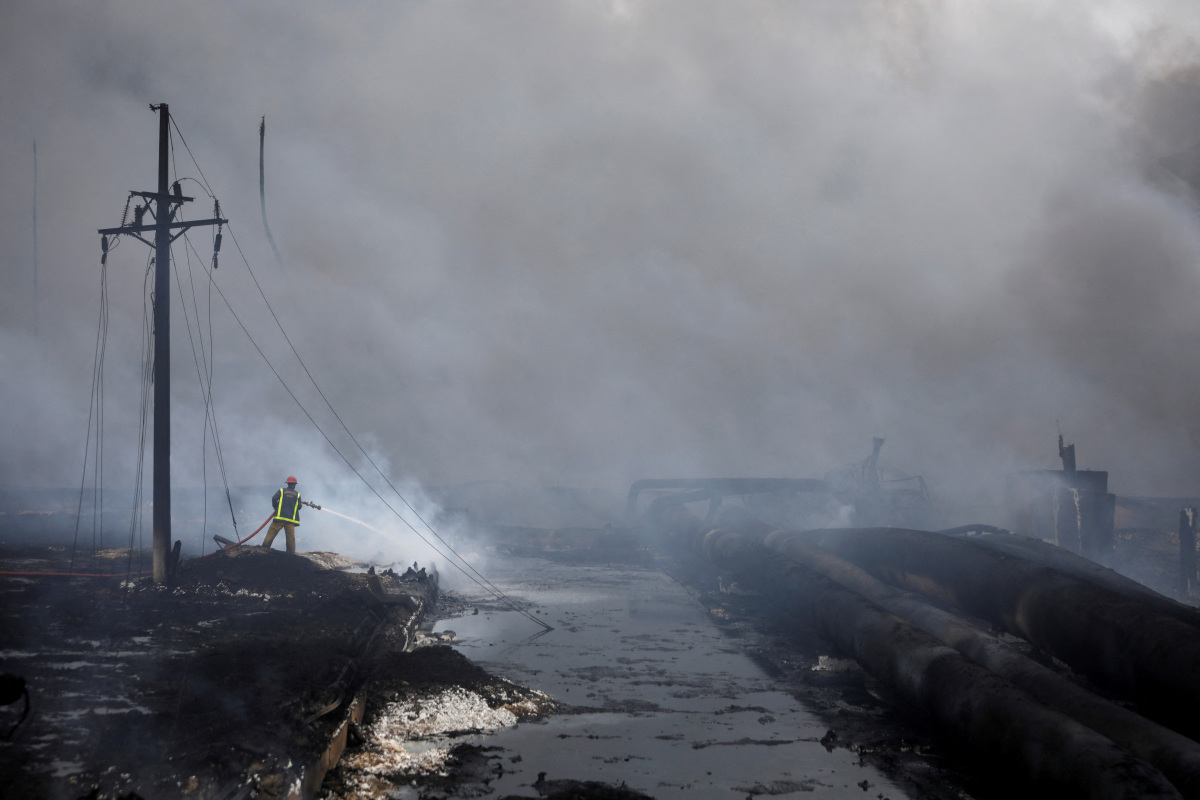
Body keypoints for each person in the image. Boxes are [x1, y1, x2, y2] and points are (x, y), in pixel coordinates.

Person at [262, 476, 319, 554]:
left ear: (287, 483)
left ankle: (263, 550)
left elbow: (274, 498)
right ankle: (291, 554)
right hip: (290, 521)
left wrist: (276, 507)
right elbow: (299, 507)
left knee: (271, 533)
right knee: (290, 538)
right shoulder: (297, 494)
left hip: (279, 519)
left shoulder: (281, 491)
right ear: (295, 484)